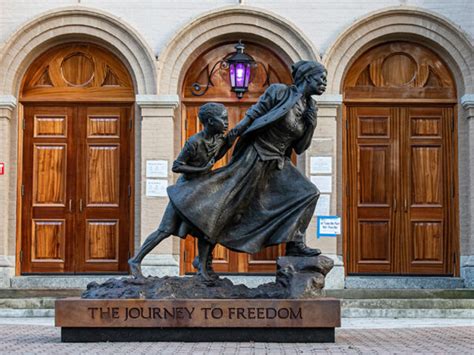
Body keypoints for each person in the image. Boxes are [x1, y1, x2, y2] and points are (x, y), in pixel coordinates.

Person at [168, 60, 327, 263]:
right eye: (320, 78)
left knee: (308, 193)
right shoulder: (280, 92)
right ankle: (204, 257)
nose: (324, 83)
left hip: (278, 161)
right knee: (232, 207)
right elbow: (255, 113)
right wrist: (234, 133)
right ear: (307, 77)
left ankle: (295, 245)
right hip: (256, 155)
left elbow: (300, 147)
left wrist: (311, 124)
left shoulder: (310, 107)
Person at [128, 102, 239, 280]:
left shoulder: (218, 138)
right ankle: (136, 260)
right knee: (164, 230)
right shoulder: (194, 142)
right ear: (210, 121)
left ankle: (201, 267)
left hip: (202, 190)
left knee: (206, 230)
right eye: (223, 119)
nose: (227, 123)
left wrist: (228, 144)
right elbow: (177, 166)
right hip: (184, 192)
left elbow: (215, 156)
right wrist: (200, 170)